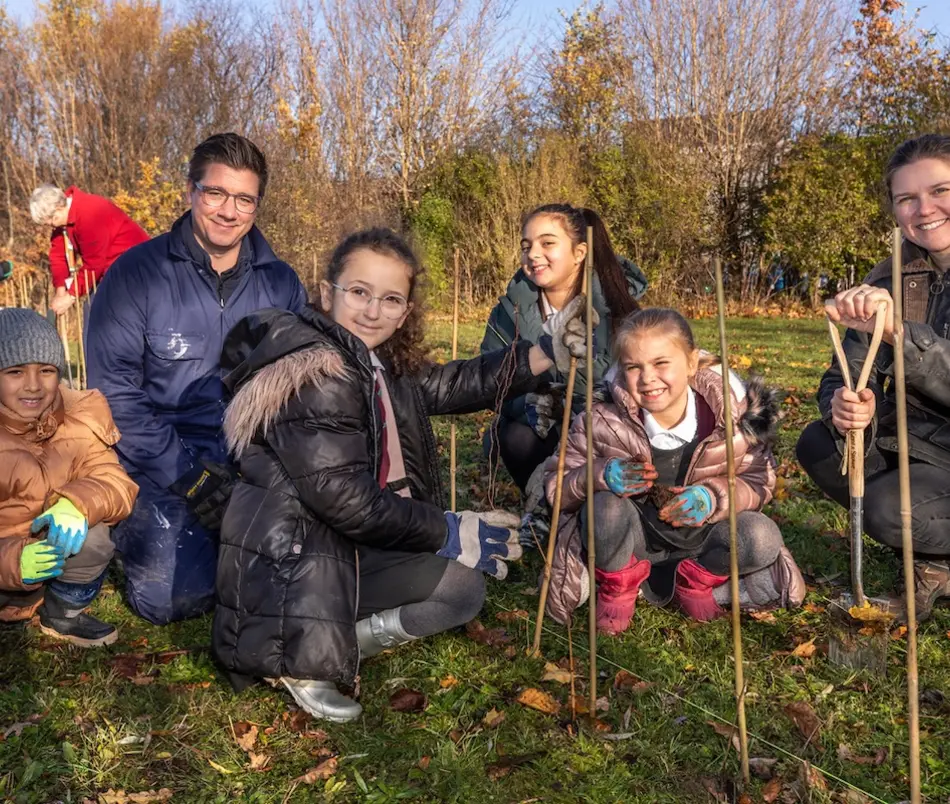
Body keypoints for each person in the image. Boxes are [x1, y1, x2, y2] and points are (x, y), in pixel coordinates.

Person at [215, 228, 593, 721]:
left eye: (391, 299)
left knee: (461, 588)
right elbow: (346, 500)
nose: (373, 311)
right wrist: (449, 529)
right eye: (359, 292)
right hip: (291, 563)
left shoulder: (372, 363)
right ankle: (297, 657)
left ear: (406, 311)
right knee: (456, 579)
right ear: (327, 294)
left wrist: (547, 351)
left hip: (339, 547)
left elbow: (456, 383)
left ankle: (339, 640)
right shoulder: (317, 373)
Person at [85, 133, 307, 625]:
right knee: (173, 599)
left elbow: (299, 382)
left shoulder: (281, 282)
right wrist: (189, 475)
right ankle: (137, 532)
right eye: (216, 193)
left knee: (302, 563)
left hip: (251, 452)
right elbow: (114, 391)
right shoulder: (137, 275)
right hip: (158, 459)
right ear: (191, 191)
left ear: (257, 204)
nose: (229, 211)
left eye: (245, 199)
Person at [542, 308, 804, 631]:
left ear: (692, 362)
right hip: (632, 542)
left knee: (762, 536)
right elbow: (556, 486)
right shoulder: (601, 421)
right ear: (621, 372)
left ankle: (694, 583)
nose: (648, 378)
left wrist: (713, 498)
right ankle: (618, 586)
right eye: (633, 367)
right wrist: (600, 474)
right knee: (603, 509)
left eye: (661, 363)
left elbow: (759, 482)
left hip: (703, 542)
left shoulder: (732, 422)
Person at [797, 133, 950, 622]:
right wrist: (843, 404)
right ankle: (934, 555)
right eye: (907, 199)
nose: (924, 210)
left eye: (940, 191)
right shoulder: (891, 279)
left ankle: (935, 555)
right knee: (820, 445)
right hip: (923, 445)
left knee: (892, 508)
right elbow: (839, 372)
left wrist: (898, 336)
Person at [480, 204, 647, 511]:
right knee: (516, 433)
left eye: (547, 243)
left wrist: (589, 403)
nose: (533, 254)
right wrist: (525, 404)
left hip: (603, 434)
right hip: (542, 436)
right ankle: (546, 506)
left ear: (579, 252)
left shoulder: (617, 307)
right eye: (526, 246)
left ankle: (601, 508)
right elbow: (490, 378)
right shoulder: (508, 311)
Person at [0, 309, 138, 645]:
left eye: (46, 371)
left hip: (50, 557)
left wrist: (78, 503)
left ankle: (62, 612)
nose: (33, 385)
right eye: (15, 371)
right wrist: (12, 562)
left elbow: (115, 480)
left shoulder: (80, 416)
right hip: (7, 561)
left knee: (96, 533)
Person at [29, 184, 149, 317]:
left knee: (101, 314)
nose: (51, 225)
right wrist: (60, 290)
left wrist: (70, 297)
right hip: (111, 271)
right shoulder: (62, 221)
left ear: (58, 208)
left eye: (52, 220)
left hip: (135, 268)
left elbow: (94, 263)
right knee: (92, 311)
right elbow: (58, 255)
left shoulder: (90, 213)